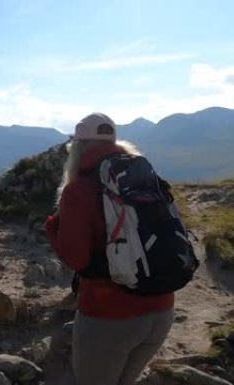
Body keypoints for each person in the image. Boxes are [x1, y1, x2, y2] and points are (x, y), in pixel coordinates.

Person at [46, 113, 174, 385]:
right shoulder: (145, 178)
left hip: (109, 315)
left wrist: (52, 229)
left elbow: (76, 259)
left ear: (78, 146)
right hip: (162, 308)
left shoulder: (78, 190)